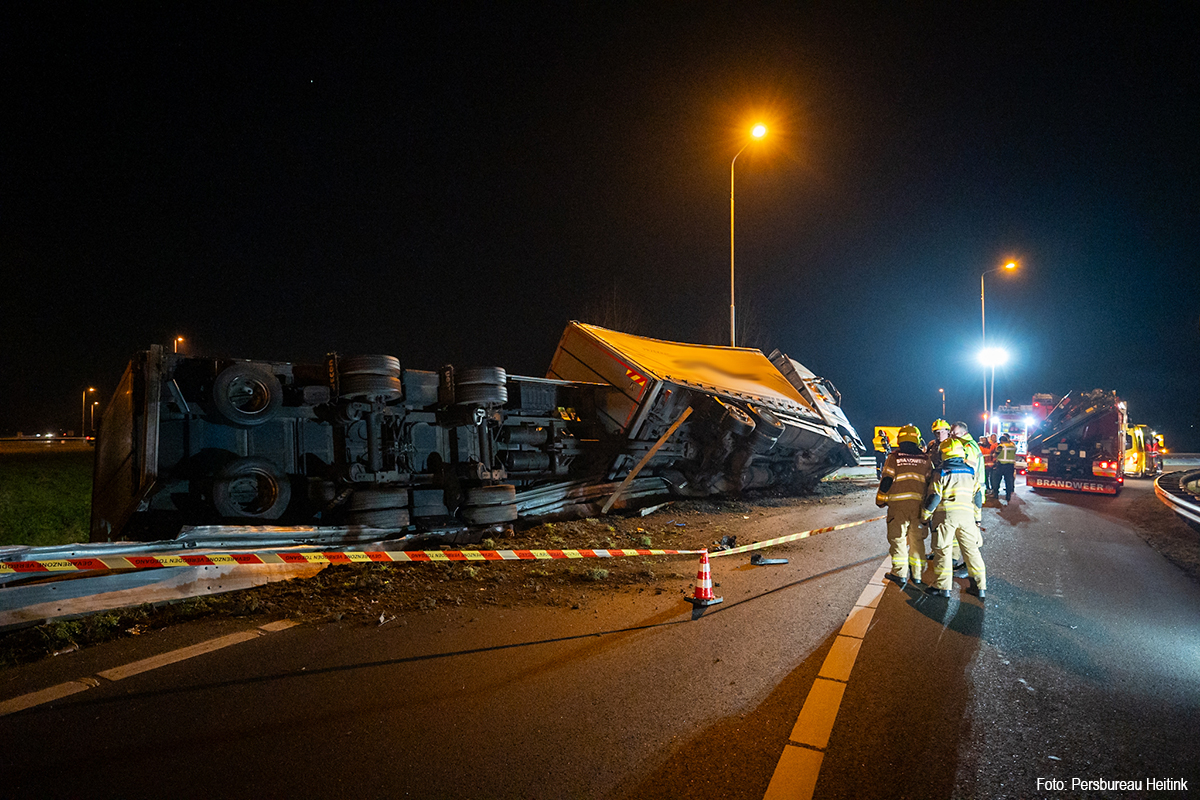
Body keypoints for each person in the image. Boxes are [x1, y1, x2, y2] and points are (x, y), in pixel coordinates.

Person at [922, 437, 987, 599]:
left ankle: (942, 587)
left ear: (943, 454)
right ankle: (979, 586)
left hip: (945, 517)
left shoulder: (941, 472)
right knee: (972, 552)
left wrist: (925, 516)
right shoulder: (971, 471)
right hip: (967, 518)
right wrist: (977, 519)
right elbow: (977, 498)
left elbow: (934, 498)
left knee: (943, 551)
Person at [875, 424, 933, 588]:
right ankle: (917, 575)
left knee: (898, 539)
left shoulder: (894, 457)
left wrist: (880, 500)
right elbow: (930, 483)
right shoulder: (926, 459)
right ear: (917, 439)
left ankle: (899, 573)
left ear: (900, 439)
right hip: (919, 507)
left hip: (898, 506)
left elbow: (887, 479)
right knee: (917, 540)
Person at [950, 421, 986, 532]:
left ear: (964, 433)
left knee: (966, 529)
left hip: (969, 492)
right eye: (951, 432)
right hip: (973, 491)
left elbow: (967, 471)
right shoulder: (969, 443)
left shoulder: (967, 446)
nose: (951, 434)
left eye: (955, 432)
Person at [994, 434, 1017, 502]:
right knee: (1008, 481)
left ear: (1001, 441)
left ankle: (996, 494)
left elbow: (996, 454)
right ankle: (1008, 495)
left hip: (1001, 465)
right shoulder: (1013, 446)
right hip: (1010, 466)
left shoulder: (1001, 446)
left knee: (997, 480)